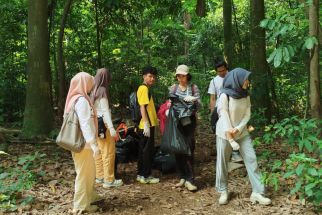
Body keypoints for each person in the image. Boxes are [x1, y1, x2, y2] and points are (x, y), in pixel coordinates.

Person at [215, 68, 271, 205]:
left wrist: (239, 128)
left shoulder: (245, 95)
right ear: (237, 79)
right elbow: (224, 115)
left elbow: (247, 113)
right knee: (222, 162)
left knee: (251, 159)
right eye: (245, 78)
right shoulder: (224, 95)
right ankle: (223, 190)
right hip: (224, 133)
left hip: (242, 132)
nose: (247, 81)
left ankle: (258, 192)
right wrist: (230, 132)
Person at [64, 72, 101, 213]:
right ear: (84, 83)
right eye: (90, 82)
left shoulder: (73, 99)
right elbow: (85, 124)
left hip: (80, 144)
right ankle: (80, 206)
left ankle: (89, 197)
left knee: (89, 173)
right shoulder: (81, 101)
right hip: (84, 145)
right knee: (84, 175)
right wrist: (93, 144)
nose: (92, 85)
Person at [169, 65, 201, 192]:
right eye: (178, 75)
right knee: (178, 147)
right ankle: (181, 176)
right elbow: (170, 102)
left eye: (182, 75)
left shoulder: (193, 88)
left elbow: (199, 105)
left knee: (189, 147)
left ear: (187, 75)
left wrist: (194, 101)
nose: (180, 78)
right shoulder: (173, 88)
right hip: (176, 121)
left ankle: (190, 179)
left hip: (189, 121)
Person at [91, 68, 123, 188]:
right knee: (108, 152)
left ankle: (99, 177)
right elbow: (105, 111)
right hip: (103, 125)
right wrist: (112, 128)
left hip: (95, 124)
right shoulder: (102, 90)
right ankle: (109, 180)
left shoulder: (92, 90)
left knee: (98, 151)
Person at [208, 59, 243, 162]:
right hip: (219, 108)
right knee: (219, 129)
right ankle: (225, 151)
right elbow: (213, 98)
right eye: (219, 71)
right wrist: (212, 111)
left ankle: (236, 153)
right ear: (216, 71)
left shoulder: (233, 77)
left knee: (233, 128)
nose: (222, 73)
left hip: (233, 106)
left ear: (226, 68)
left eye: (223, 70)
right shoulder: (214, 81)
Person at [136, 66, 160, 184]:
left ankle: (140, 174)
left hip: (145, 125)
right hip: (146, 125)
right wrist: (146, 124)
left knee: (142, 150)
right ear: (144, 76)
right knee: (147, 151)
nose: (152, 79)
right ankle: (146, 175)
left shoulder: (144, 89)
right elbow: (142, 107)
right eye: (150, 76)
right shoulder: (143, 88)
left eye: (154, 77)